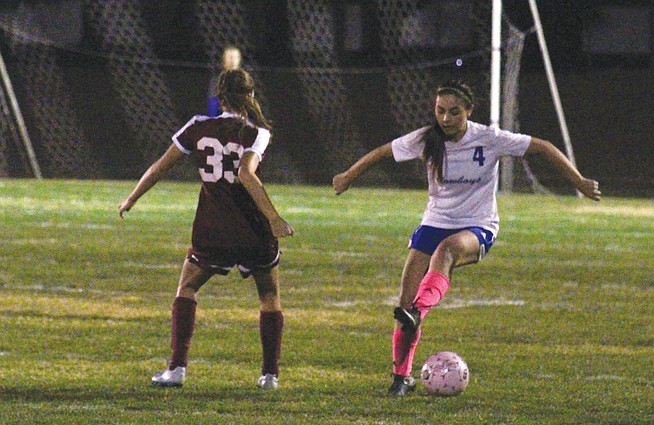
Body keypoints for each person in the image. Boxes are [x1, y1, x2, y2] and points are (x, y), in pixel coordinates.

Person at [332, 80, 600, 396]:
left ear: (469, 111)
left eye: (454, 113)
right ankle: (401, 378)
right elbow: (382, 152)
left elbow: (543, 147)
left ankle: (420, 311)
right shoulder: (426, 139)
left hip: (478, 225)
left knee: (446, 252)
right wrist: (348, 176)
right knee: (404, 299)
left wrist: (579, 181)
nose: (446, 119)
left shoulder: (489, 138)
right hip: (435, 222)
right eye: (440, 111)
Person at [119, 68, 294, 390]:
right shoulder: (257, 132)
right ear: (251, 95)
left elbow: (160, 166)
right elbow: (247, 173)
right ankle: (270, 375)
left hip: (213, 227)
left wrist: (132, 198)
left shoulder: (198, 127)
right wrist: (274, 218)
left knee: (186, 289)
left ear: (219, 97)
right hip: (253, 229)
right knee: (269, 295)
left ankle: (176, 369)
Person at [207, 46, 242, 117]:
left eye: (235, 57)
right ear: (223, 60)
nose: (233, 61)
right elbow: (213, 106)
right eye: (230, 57)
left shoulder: (244, 80)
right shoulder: (217, 80)